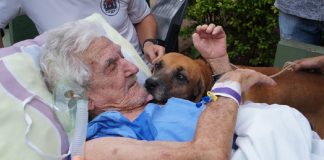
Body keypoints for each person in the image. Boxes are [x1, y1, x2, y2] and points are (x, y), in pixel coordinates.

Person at [40, 21, 323, 159]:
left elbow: (229, 112)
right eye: (112, 65)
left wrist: (220, 64)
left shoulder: (156, 105)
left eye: (123, 57)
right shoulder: (97, 148)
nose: (132, 68)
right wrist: (230, 87)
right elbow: (208, 154)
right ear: (82, 96)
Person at [0, 0, 164, 64]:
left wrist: (148, 43)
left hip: (138, 71)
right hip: (81, 93)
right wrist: (7, 68)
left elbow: (143, 17)